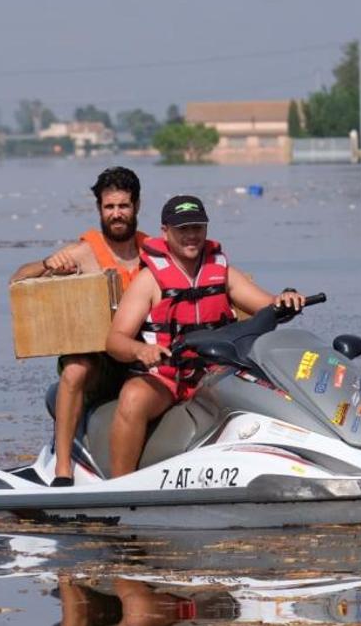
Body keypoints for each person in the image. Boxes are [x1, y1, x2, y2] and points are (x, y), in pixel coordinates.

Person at [105, 195, 305, 477]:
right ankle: (120, 484)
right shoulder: (149, 280)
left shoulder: (222, 272)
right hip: (167, 378)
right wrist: (141, 351)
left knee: (274, 391)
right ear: (165, 232)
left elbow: (269, 306)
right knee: (133, 397)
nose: (191, 235)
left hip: (217, 374)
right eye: (182, 229)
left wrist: (286, 299)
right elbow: (115, 340)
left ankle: (288, 465)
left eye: (197, 227)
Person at [9, 166, 149, 487]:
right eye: (109, 207)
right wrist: (48, 265)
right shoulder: (83, 253)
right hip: (100, 360)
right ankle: (63, 469)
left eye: (124, 206)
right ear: (99, 209)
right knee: (74, 370)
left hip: (142, 352)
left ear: (137, 206)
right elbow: (17, 279)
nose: (116, 214)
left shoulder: (154, 252)